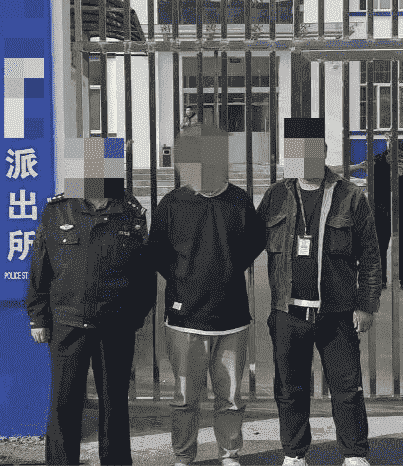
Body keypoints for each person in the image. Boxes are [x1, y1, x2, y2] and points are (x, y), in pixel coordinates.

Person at [256, 117, 381, 466]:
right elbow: (248, 242)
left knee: (347, 388)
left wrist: (367, 305)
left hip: (336, 313)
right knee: (290, 389)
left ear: (323, 153)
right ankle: (294, 454)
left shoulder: (350, 196)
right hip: (288, 312)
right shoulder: (276, 195)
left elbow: (371, 255)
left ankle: (354, 454)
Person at [25, 137, 154, 466]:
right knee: (64, 401)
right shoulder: (57, 210)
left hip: (116, 324)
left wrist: (135, 316)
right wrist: (38, 317)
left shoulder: (131, 212)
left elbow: (144, 273)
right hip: (68, 322)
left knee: (114, 402)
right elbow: (40, 267)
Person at [148, 122, 267, 466]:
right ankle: (184, 456)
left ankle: (229, 455)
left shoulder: (239, 200)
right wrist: (183, 279)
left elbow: (254, 243)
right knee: (185, 397)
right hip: (184, 319)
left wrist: (226, 270)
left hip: (232, 318)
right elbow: (157, 251)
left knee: (230, 398)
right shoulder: (172, 203)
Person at [333, 139, 403, 293]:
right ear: (389, 151)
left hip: (402, 211)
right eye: (396, 154)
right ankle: (381, 279)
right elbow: (371, 181)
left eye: (402, 154)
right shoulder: (377, 161)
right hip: (381, 210)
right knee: (380, 247)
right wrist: (390, 172)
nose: (399, 157)